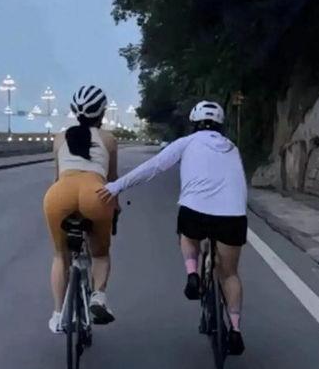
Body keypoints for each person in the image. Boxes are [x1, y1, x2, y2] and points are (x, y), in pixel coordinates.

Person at [97, 101, 247, 355]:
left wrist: (116, 186)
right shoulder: (232, 148)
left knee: (187, 236)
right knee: (230, 274)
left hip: (195, 211)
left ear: (194, 123)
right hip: (232, 215)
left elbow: (153, 167)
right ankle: (235, 330)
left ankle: (192, 274)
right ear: (221, 126)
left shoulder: (186, 143)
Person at [43, 85, 118, 334]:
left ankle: (58, 314)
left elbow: (57, 177)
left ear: (74, 111)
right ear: (102, 112)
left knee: (60, 256)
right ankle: (98, 297)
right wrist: (115, 208)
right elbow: (113, 180)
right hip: (96, 195)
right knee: (100, 254)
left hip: (59, 195)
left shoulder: (59, 138)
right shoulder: (108, 139)